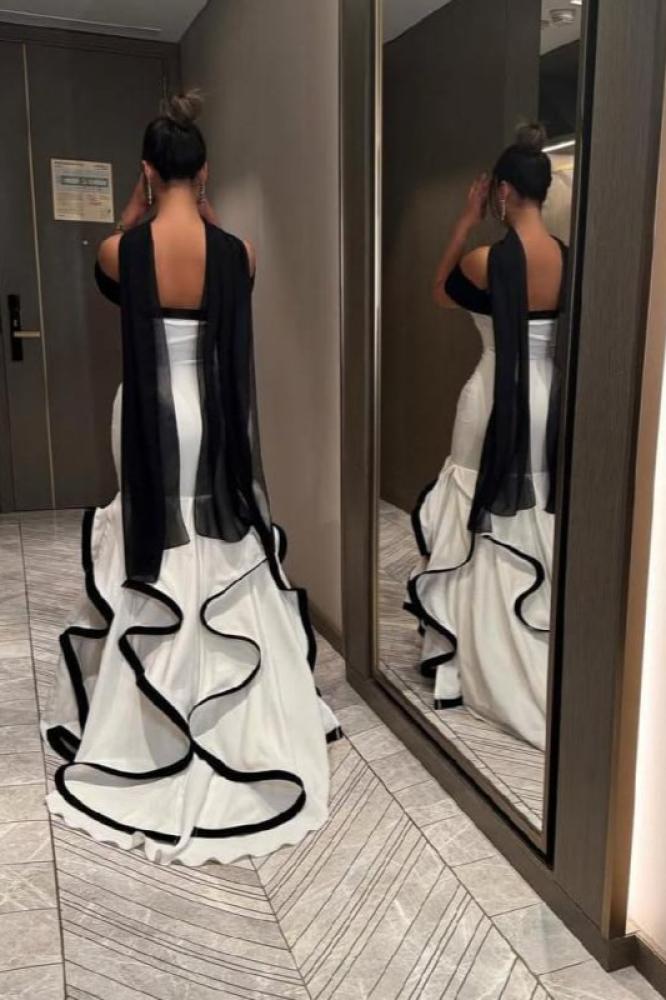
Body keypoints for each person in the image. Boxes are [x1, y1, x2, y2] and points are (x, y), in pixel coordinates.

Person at [42, 90, 340, 865]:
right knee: (216, 541)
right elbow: (225, 265)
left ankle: (150, 701)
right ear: (204, 172)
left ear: (147, 171)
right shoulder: (240, 253)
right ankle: (235, 705)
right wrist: (205, 207)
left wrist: (139, 204)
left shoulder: (124, 251)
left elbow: (115, 261)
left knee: (155, 539)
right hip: (211, 414)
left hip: (145, 415)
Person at [405, 124, 567, 751]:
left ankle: (475, 643)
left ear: (502, 192)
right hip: (548, 398)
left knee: (474, 499)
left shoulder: (485, 260)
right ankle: (533, 630)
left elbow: (439, 292)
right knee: (534, 507)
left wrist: (465, 221)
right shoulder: (566, 257)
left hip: (494, 395)